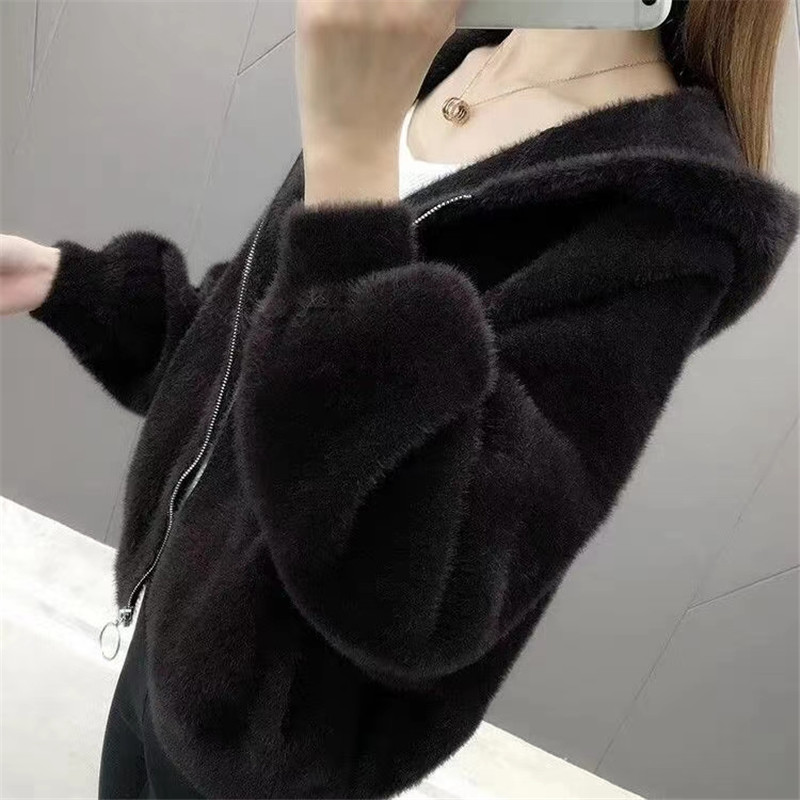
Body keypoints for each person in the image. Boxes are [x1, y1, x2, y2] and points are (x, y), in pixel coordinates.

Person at [1, 1, 797, 797]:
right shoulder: (441, 61)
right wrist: (70, 285)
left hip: (263, 748)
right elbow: (253, 350)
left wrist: (350, 170)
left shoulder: (665, 211)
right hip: (173, 633)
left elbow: (434, 582)